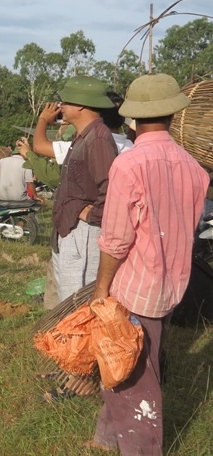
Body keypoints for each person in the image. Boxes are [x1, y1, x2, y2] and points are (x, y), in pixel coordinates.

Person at [88, 74, 209, 454]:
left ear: (133, 118)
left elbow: (117, 240)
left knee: (136, 377)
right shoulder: (195, 169)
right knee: (124, 359)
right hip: (171, 285)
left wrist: (100, 289)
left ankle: (141, 449)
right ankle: (107, 437)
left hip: (135, 288)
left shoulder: (130, 165)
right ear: (174, 114)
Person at [41, 77, 118, 307]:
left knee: (78, 305)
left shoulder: (98, 139)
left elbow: (111, 191)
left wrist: (91, 215)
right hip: (71, 233)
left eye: (64, 102)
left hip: (84, 235)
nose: (60, 106)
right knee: (68, 300)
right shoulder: (84, 135)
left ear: (81, 105)